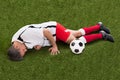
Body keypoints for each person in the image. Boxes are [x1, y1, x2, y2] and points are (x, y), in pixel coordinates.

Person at [8, 21, 114, 61]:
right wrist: (39, 44)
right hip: (51, 34)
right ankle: (98, 26)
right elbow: (34, 40)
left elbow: (45, 32)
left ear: (16, 47)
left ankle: (101, 35)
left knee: (76, 42)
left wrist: (55, 46)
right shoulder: (16, 42)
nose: (25, 51)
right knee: (76, 33)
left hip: (53, 30)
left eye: (23, 52)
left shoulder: (25, 35)